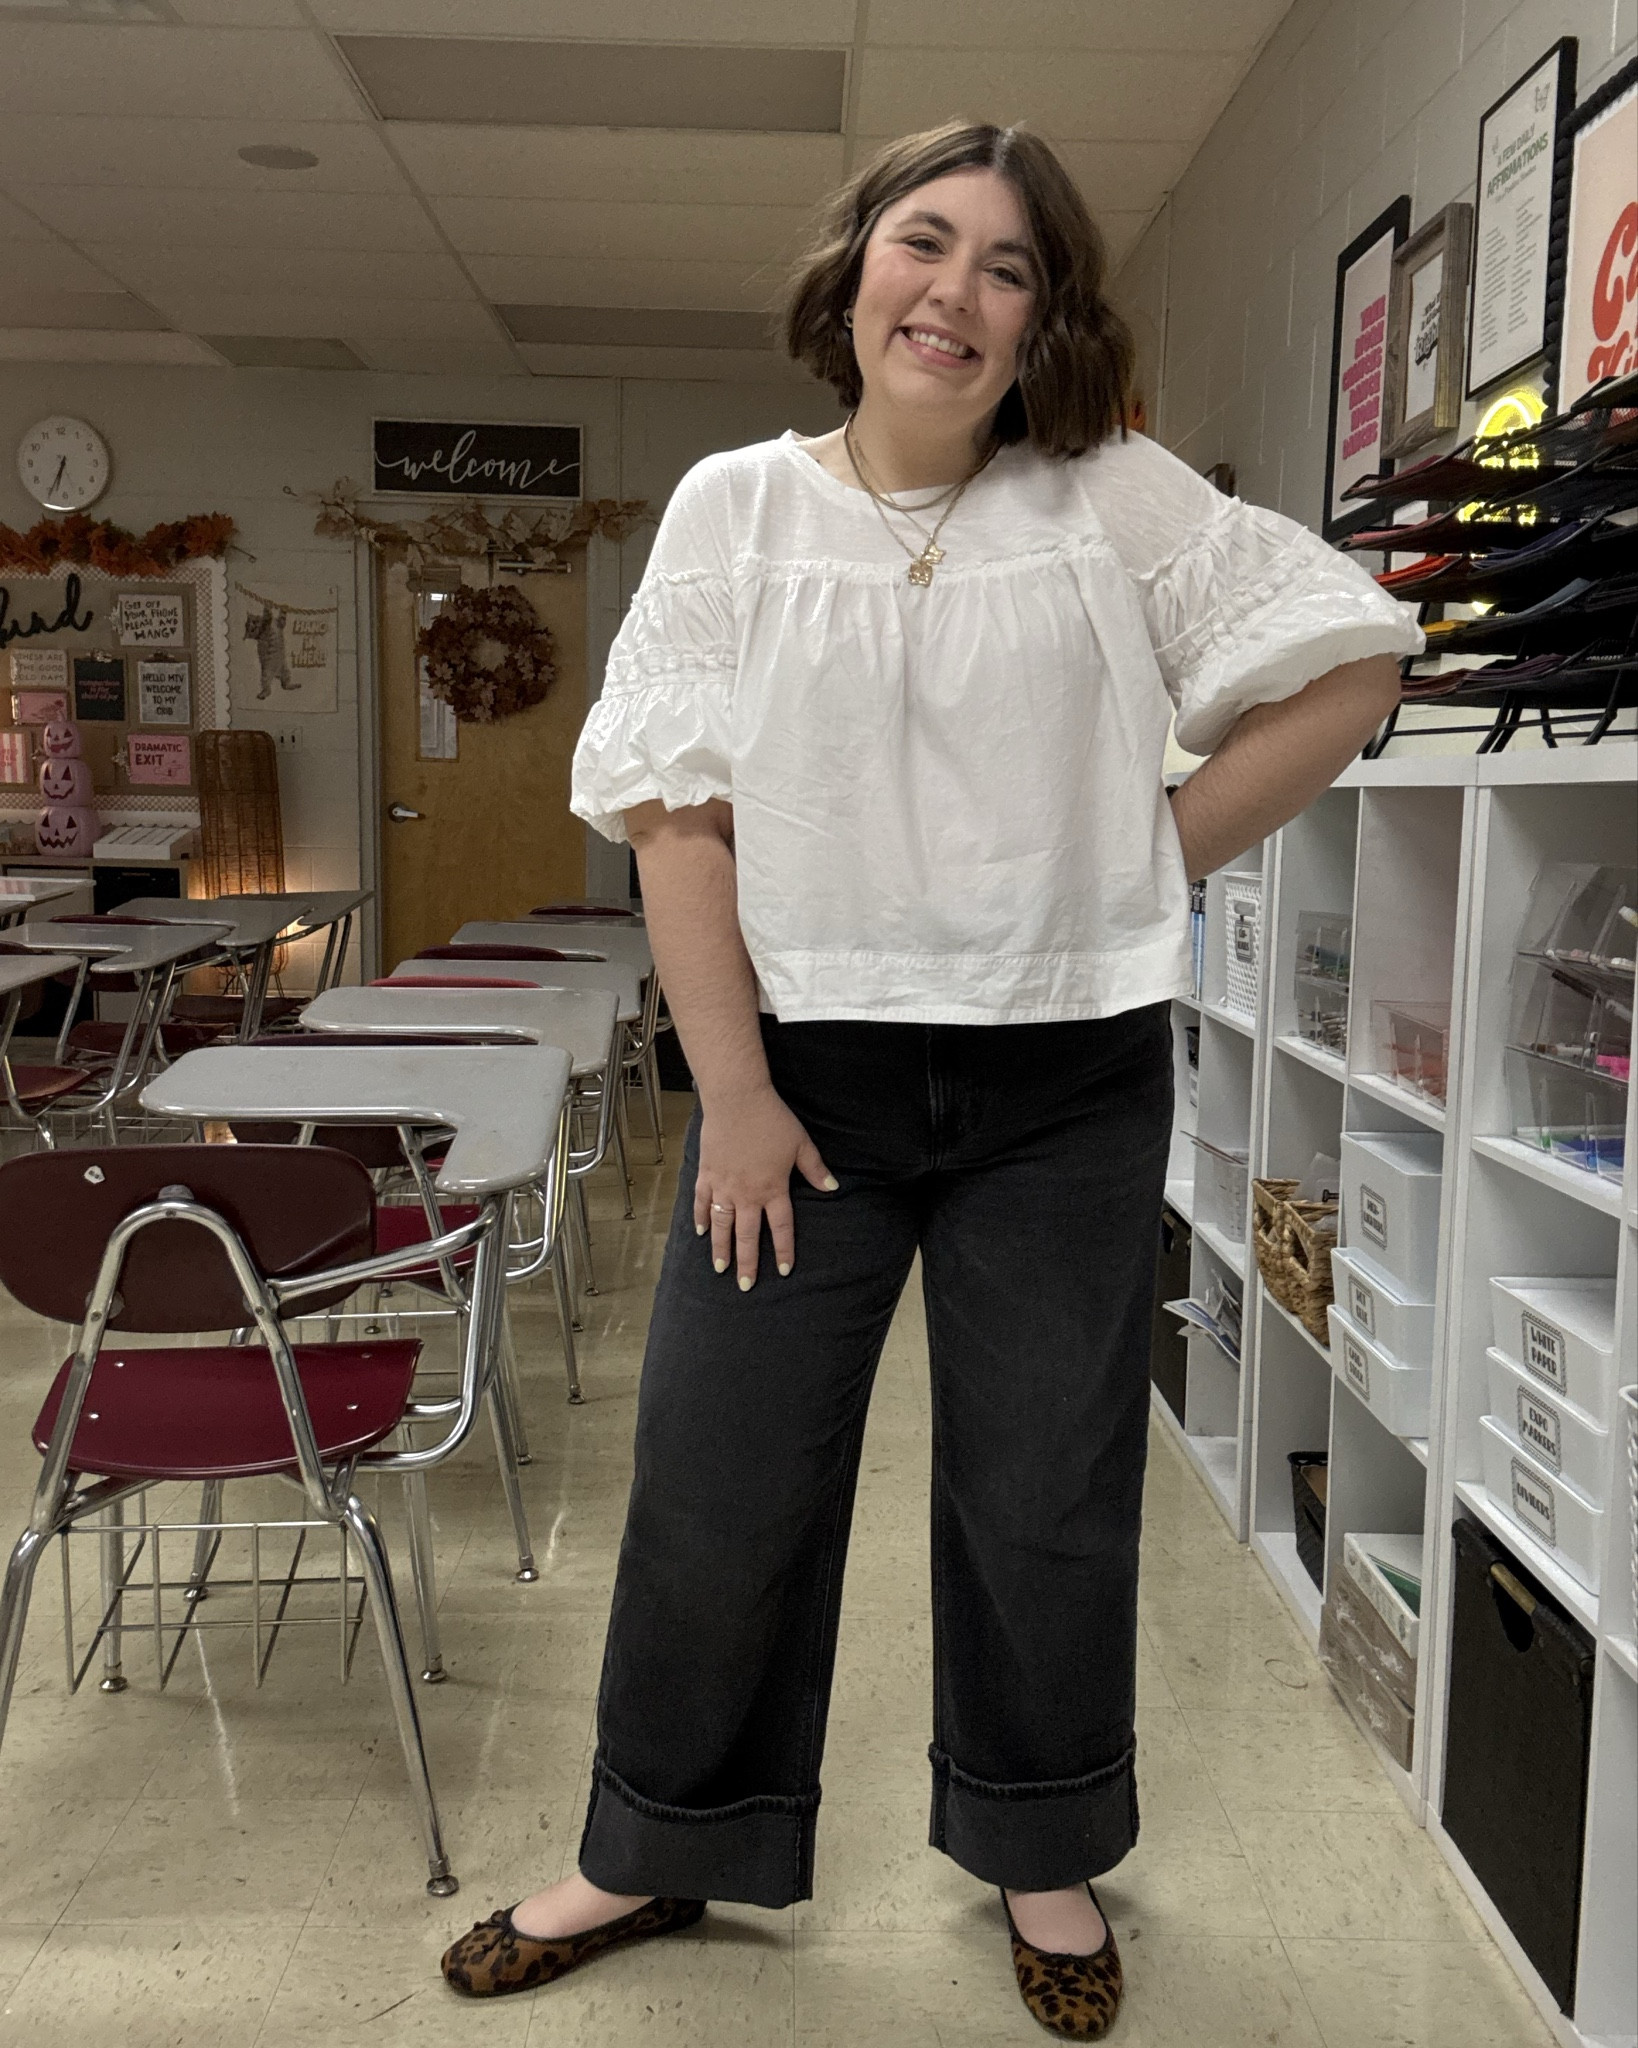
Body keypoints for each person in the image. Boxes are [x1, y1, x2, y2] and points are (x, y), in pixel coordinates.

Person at [442, 120, 1417, 2037]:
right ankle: (654, 1844)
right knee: (720, 1482)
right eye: (926, 242)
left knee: (1044, 1489)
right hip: (800, 1085)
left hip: (1064, 1084)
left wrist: (1142, 868)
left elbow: (1351, 667)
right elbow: (674, 819)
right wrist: (727, 1096)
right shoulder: (735, 508)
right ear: (856, 271)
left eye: (1008, 267)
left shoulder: (1109, 496)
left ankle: (1037, 1848)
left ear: (1043, 315)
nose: (957, 293)